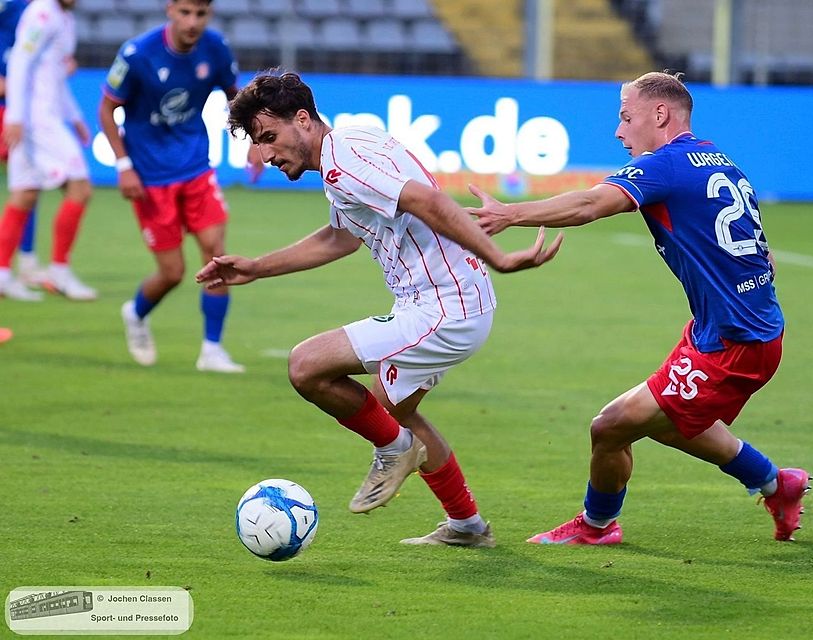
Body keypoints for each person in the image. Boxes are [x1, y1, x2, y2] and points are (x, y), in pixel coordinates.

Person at [196, 70, 562, 547]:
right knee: (394, 412)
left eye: (269, 137)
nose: (265, 155)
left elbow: (428, 201)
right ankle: (467, 526)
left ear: (302, 119)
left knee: (307, 366)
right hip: (450, 301)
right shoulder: (349, 146)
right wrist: (257, 268)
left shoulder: (342, 165)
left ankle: (394, 452)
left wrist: (501, 258)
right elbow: (339, 238)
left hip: (442, 308)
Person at [471, 71, 810, 545]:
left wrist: (511, 213)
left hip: (735, 344)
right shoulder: (720, 161)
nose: (618, 131)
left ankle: (597, 526)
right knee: (668, 424)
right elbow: (764, 255)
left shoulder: (666, 164)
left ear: (660, 114)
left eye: (626, 117)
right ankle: (776, 483)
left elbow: (590, 204)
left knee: (610, 428)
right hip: (724, 330)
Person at [98, 0, 260, 372]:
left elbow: (235, 96)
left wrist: (256, 138)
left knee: (216, 254)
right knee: (172, 273)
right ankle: (136, 312)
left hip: (195, 168)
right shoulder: (138, 54)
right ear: (170, 10)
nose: (192, 22)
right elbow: (106, 109)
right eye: (185, 12)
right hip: (150, 177)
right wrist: (123, 165)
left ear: (209, 15)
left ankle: (212, 350)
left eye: (200, 14)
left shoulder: (215, 47)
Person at [0, 0, 95, 302]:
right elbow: (19, 61)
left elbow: (54, 76)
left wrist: (75, 117)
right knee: (80, 188)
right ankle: (59, 270)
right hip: (37, 121)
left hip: (41, 117)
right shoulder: (42, 12)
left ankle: (2, 275)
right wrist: (15, 115)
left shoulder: (65, 18)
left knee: (25, 194)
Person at [0, 0, 43, 288]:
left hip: (18, 108)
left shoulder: (38, 10)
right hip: (10, 108)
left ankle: (25, 261)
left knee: (28, 187)